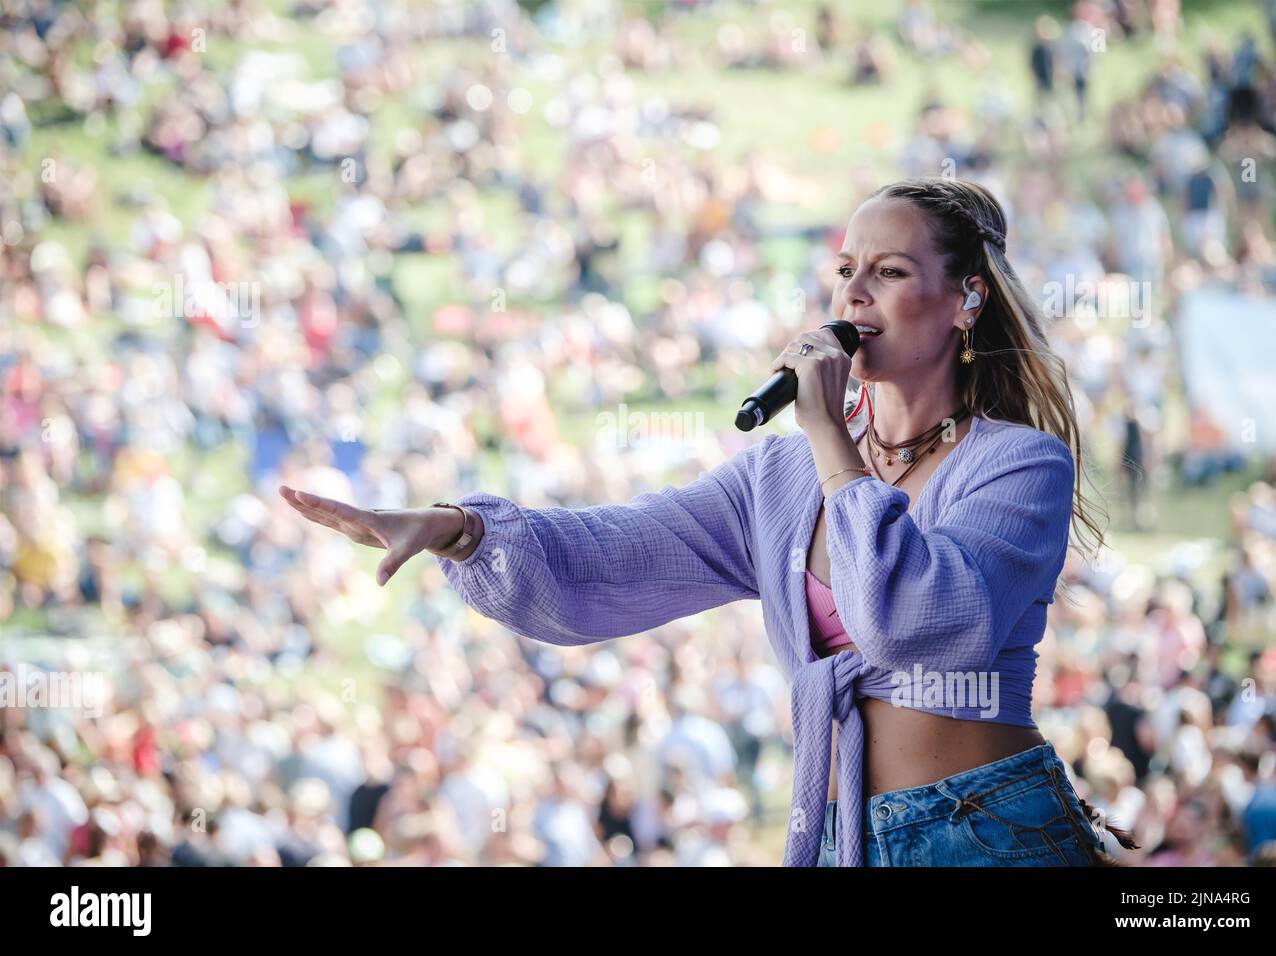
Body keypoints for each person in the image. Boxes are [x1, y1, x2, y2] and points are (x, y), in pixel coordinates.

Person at [281, 177, 1137, 867]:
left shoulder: (1018, 465)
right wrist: (461, 528)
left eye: (890, 271)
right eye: (845, 269)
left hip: (984, 828)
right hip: (850, 839)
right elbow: (610, 560)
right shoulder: (781, 476)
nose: (853, 291)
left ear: (966, 301)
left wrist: (831, 441)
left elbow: (913, 618)